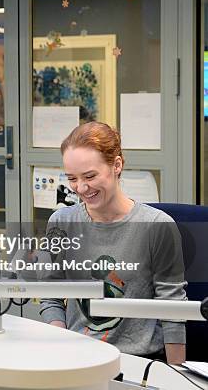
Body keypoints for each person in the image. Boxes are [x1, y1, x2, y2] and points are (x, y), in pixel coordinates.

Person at [39, 122, 187, 364]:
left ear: (117, 165)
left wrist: (176, 377)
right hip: (78, 357)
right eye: (72, 179)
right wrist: (62, 349)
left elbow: (173, 308)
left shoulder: (158, 226)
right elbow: (50, 296)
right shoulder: (61, 222)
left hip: (139, 361)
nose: (82, 188)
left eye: (90, 176)